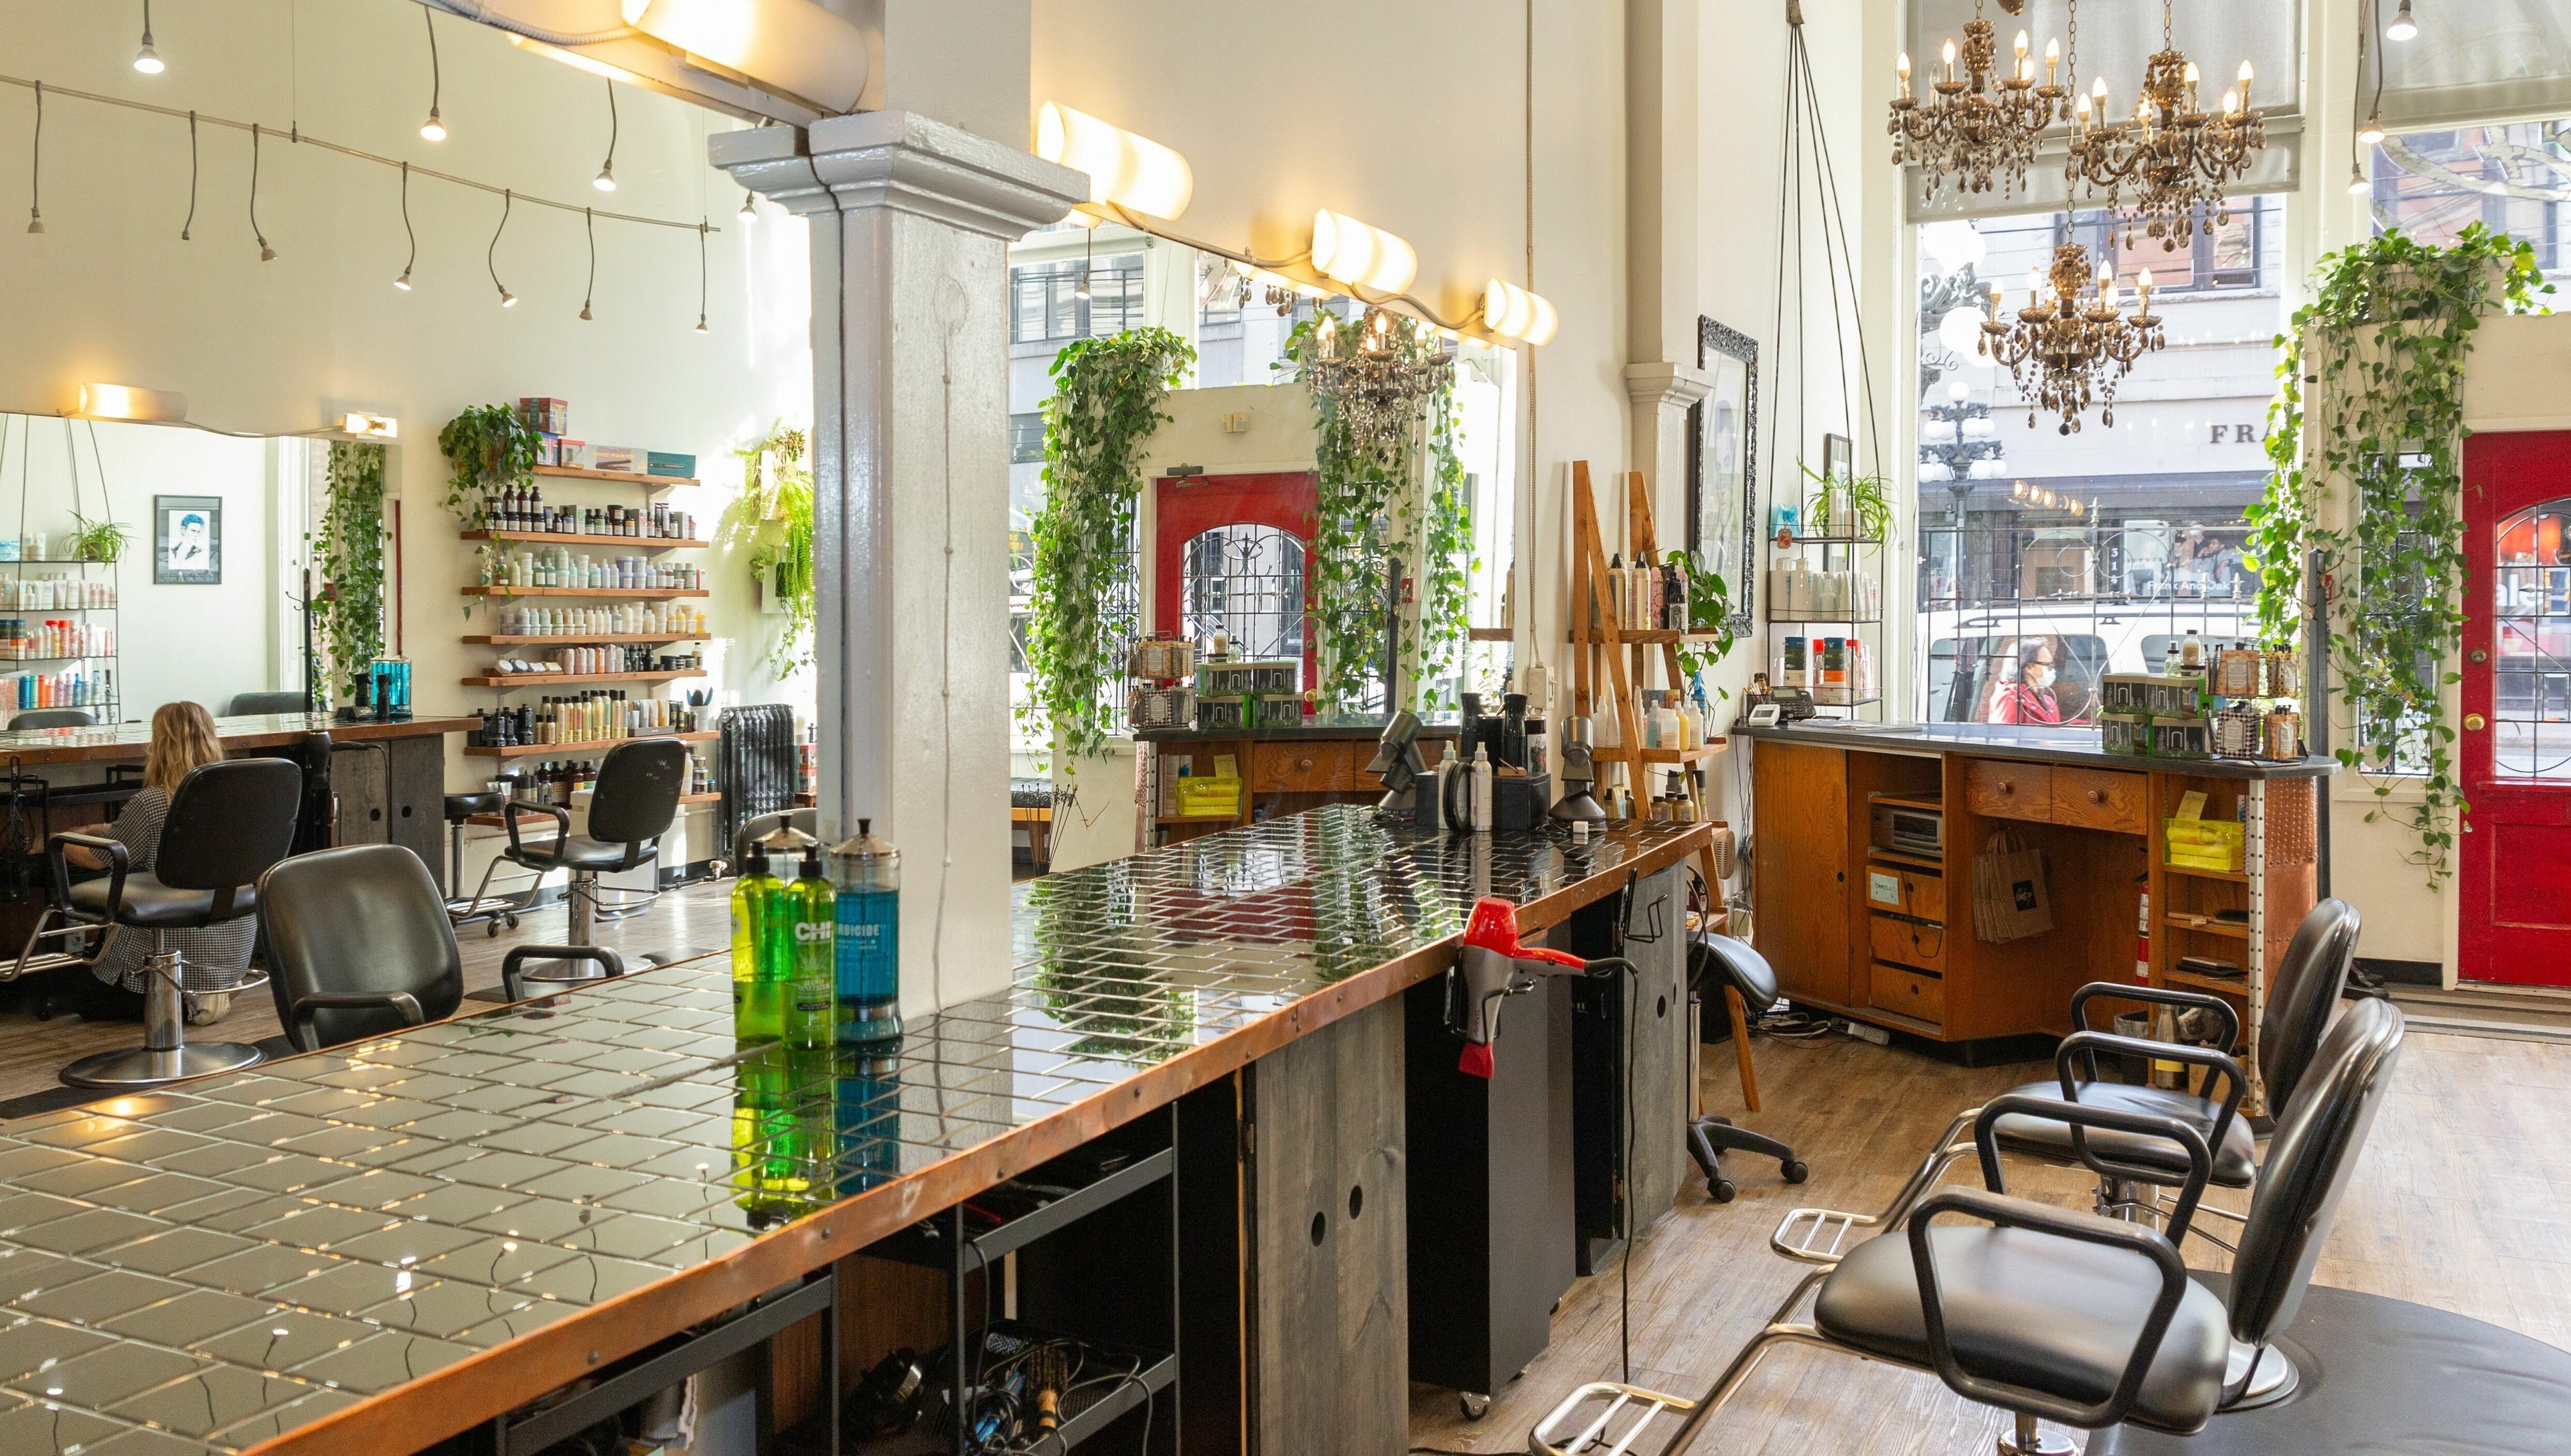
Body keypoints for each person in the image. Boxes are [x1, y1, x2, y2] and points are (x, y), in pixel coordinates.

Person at [62, 702, 254, 1023]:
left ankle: (179, 1002)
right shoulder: (241, 800)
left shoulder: (152, 801)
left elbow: (99, 858)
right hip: (230, 947)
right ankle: (208, 992)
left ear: (158, 747)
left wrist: (60, 840)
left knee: (81, 995)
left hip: (171, 944)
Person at [1986, 639, 2064, 726]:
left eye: (2052, 664)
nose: (2052, 669)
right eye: (2049, 665)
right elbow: (2004, 735)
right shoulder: (2011, 697)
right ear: (2029, 667)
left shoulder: (2046, 701)